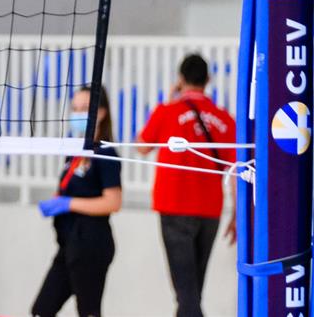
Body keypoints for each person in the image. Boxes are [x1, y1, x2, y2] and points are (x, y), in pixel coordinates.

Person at [136, 54, 237, 317]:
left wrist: (170, 100)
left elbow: (141, 146)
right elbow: (236, 171)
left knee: (187, 294)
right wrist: (237, 213)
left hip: (174, 208)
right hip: (210, 211)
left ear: (180, 79)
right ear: (208, 79)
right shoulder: (225, 119)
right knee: (191, 293)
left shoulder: (168, 112)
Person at [32, 85, 122, 317]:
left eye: (84, 109)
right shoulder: (75, 150)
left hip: (91, 242)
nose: (78, 113)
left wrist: (69, 203)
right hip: (70, 243)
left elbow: (113, 202)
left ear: (101, 113)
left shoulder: (105, 153)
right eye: (75, 108)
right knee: (41, 310)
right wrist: (58, 201)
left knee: (88, 312)